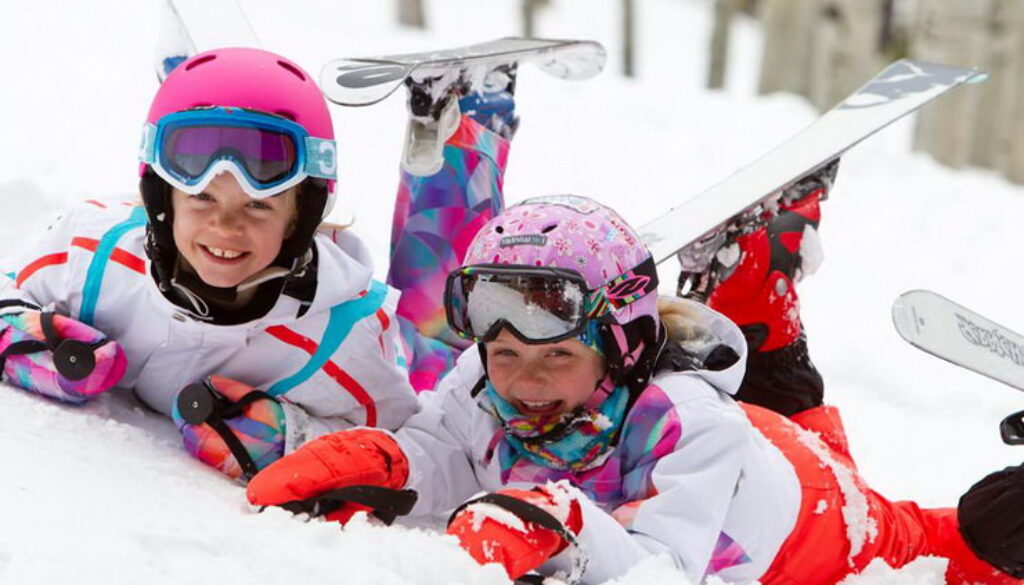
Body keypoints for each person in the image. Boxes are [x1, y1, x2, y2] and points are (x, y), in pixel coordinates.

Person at [244, 193, 1024, 585]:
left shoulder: (688, 425)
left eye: (553, 359)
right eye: (506, 353)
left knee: (943, 543)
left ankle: (764, 275)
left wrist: (561, 518)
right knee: (790, 408)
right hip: (760, 445)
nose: (522, 382)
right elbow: (443, 449)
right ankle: (761, 267)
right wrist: (389, 464)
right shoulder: (487, 379)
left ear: (620, 344)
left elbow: (663, 570)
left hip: (814, 518)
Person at [0, 46, 512, 481]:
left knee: (437, 328)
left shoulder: (343, 345)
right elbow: (9, 292)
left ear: (299, 217)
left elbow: (404, 444)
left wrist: (285, 435)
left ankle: (469, 117)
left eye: (258, 206)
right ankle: (216, 85)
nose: (226, 228)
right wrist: (31, 344)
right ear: (162, 199)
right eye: (201, 199)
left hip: (392, 347)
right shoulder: (91, 251)